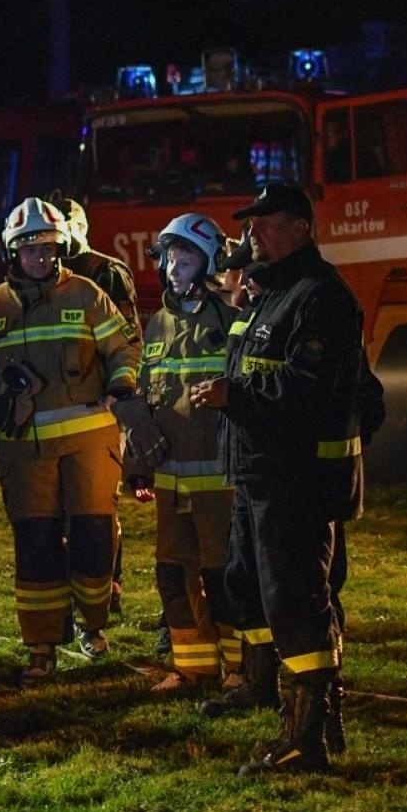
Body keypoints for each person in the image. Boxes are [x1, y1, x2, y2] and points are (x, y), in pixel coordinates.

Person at [190, 183, 366, 777]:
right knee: (251, 585)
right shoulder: (270, 294)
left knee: (296, 600)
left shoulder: (320, 297)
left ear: (301, 230)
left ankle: (307, 737)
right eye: (250, 225)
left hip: (295, 477)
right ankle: (263, 686)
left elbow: (309, 388)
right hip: (257, 470)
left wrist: (235, 395)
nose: (252, 234)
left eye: (265, 224)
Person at [0, 197, 141, 679]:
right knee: (35, 545)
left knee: (94, 539)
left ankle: (92, 623)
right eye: (31, 249)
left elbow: (125, 346)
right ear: (13, 252)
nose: (41, 257)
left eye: (49, 248)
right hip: (25, 449)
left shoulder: (87, 294)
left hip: (89, 441)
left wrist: (121, 385)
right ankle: (41, 645)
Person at [125, 212, 241, 693]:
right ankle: (193, 668)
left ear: (209, 262)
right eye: (171, 258)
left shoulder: (232, 322)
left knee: (223, 578)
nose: (174, 267)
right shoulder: (157, 325)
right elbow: (148, 394)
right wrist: (137, 465)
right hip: (170, 483)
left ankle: (240, 668)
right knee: (173, 576)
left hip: (219, 483)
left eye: (187, 258)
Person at [59, 198, 140, 618]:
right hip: (60, 407)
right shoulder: (48, 271)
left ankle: (111, 585)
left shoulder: (106, 272)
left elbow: (126, 338)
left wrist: (117, 391)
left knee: (100, 503)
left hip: (100, 405)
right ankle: (71, 586)